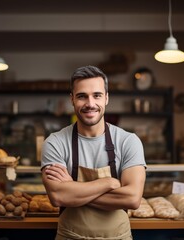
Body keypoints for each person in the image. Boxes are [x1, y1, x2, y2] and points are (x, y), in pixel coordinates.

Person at [41, 65, 146, 240]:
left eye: (96, 95)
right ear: (72, 99)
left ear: (106, 98)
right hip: (70, 236)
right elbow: (58, 196)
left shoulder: (128, 141)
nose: (90, 104)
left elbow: (133, 199)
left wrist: (73, 190)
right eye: (82, 96)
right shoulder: (55, 142)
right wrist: (108, 183)